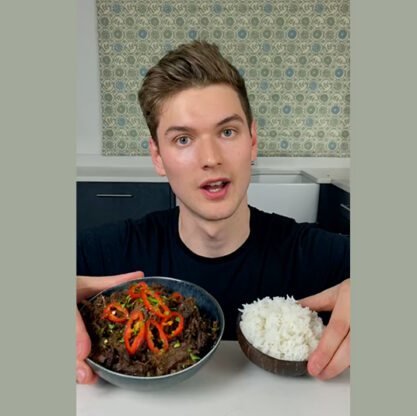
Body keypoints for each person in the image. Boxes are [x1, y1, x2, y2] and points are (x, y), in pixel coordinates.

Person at [76, 40, 350, 385]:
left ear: (252, 141)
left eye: (227, 132)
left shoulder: (312, 253)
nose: (210, 158)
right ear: (157, 156)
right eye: (183, 139)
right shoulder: (111, 251)